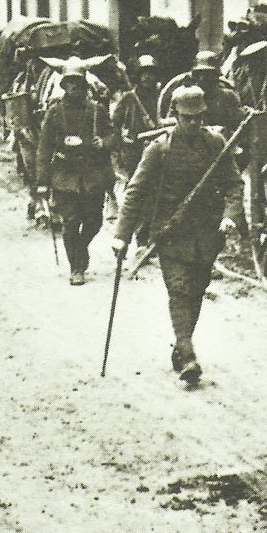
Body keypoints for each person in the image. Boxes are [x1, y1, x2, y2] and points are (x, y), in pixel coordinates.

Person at [111, 86, 241, 386]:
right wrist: (122, 235)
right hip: (171, 233)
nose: (193, 124)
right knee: (179, 289)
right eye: (187, 118)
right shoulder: (159, 149)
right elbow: (135, 192)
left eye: (198, 118)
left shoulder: (215, 144)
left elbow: (234, 183)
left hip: (208, 233)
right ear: (175, 116)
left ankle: (181, 347)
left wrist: (230, 216)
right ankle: (189, 353)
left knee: (196, 290)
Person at [35, 62, 117, 285]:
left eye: (77, 84)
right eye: (69, 84)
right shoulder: (54, 112)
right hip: (65, 175)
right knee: (70, 223)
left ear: (84, 86)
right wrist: (42, 181)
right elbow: (44, 148)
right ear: (63, 86)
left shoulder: (96, 110)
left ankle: (81, 247)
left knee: (94, 221)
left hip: (92, 174)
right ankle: (76, 267)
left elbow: (112, 135)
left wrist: (104, 142)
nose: (73, 89)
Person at [112, 54, 161, 181]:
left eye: (151, 73)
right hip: (134, 151)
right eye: (143, 73)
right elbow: (114, 125)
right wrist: (119, 151)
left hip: (159, 147)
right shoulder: (129, 98)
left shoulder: (161, 97)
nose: (147, 77)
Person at [182, 51, 245, 135]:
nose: (202, 78)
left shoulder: (227, 96)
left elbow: (239, 124)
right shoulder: (187, 96)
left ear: (216, 75)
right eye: (199, 74)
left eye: (208, 74)